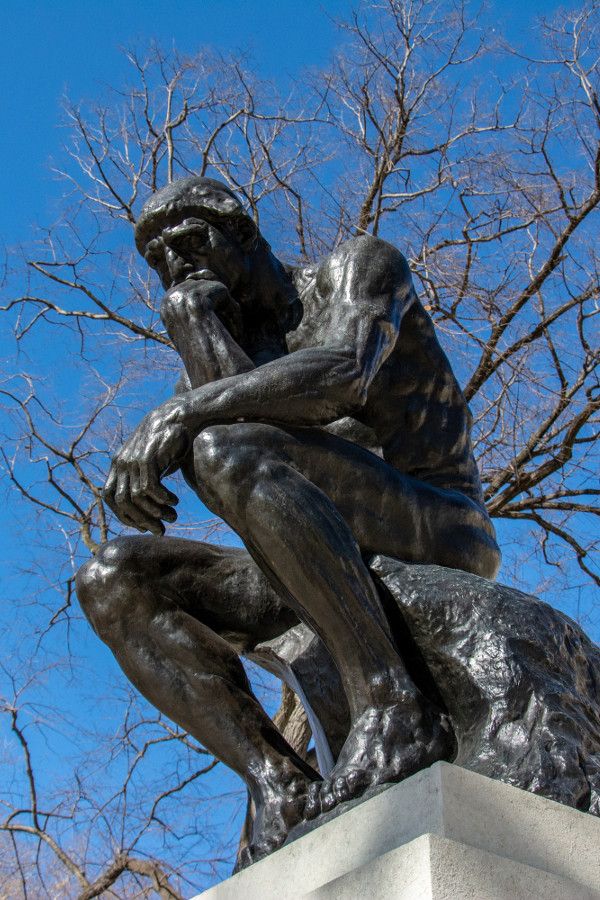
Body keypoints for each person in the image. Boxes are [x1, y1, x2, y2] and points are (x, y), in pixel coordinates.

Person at [76, 176, 500, 863]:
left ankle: (392, 703)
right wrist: (195, 327)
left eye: (188, 244)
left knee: (221, 443)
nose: (176, 268)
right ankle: (277, 782)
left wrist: (181, 413)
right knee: (111, 577)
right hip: (318, 540)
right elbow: (240, 440)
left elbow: (341, 377)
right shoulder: (218, 371)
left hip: (435, 521)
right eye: (158, 263)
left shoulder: (357, 269)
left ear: (243, 232)